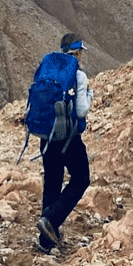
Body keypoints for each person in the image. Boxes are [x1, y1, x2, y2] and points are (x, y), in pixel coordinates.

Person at [36, 33, 94, 253]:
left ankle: (45, 241)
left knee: (52, 182)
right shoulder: (78, 76)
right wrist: (89, 96)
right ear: (77, 52)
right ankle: (51, 221)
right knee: (80, 179)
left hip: (46, 137)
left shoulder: (49, 70)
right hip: (69, 139)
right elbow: (81, 110)